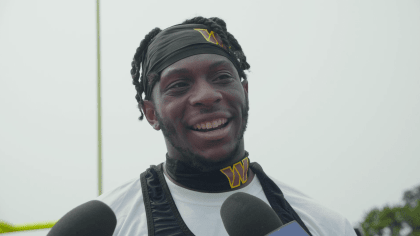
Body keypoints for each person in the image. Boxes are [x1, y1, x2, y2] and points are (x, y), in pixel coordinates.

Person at [95, 16, 357, 236]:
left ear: (245, 92)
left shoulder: (324, 225)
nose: (207, 96)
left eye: (222, 77)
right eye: (179, 85)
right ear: (151, 113)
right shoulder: (114, 224)